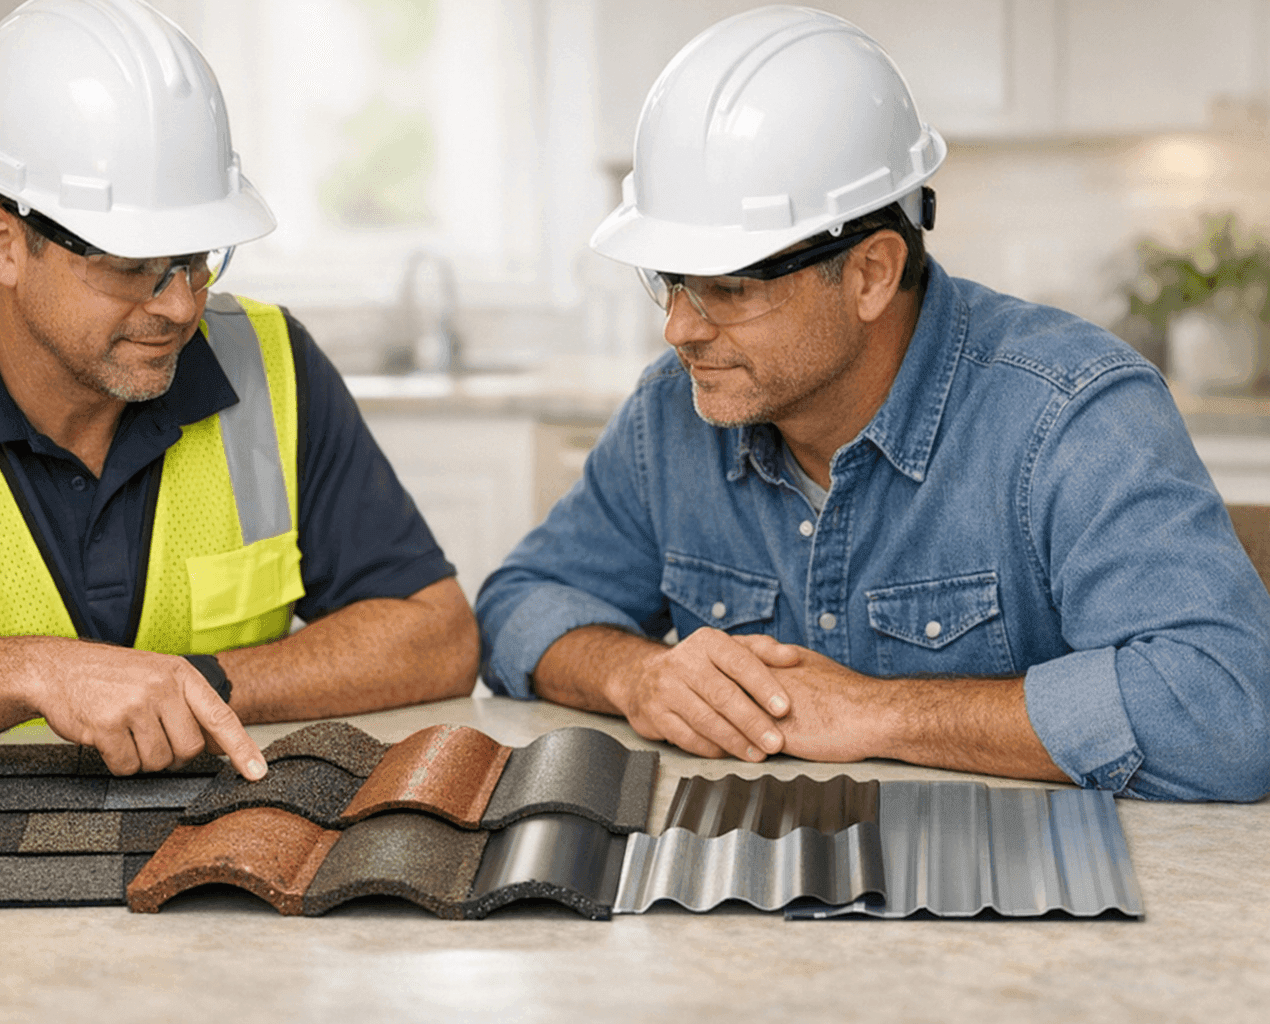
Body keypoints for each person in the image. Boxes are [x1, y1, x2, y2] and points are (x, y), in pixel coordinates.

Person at [476, 6, 1270, 801]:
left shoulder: (1072, 416)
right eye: (669, 280)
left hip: (1027, 906)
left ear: (870, 274)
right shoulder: (671, 415)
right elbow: (518, 605)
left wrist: (878, 713)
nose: (679, 326)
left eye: (728, 287)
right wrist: (637, 675)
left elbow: (1228, 710)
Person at [0, 0, 477, 779]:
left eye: (196, 258)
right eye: (132, 267)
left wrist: (198, 686)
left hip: (212, 857)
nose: (181, 304)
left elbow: (436, 634)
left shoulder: (271, 359)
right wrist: (39, 671)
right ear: (3, 243)